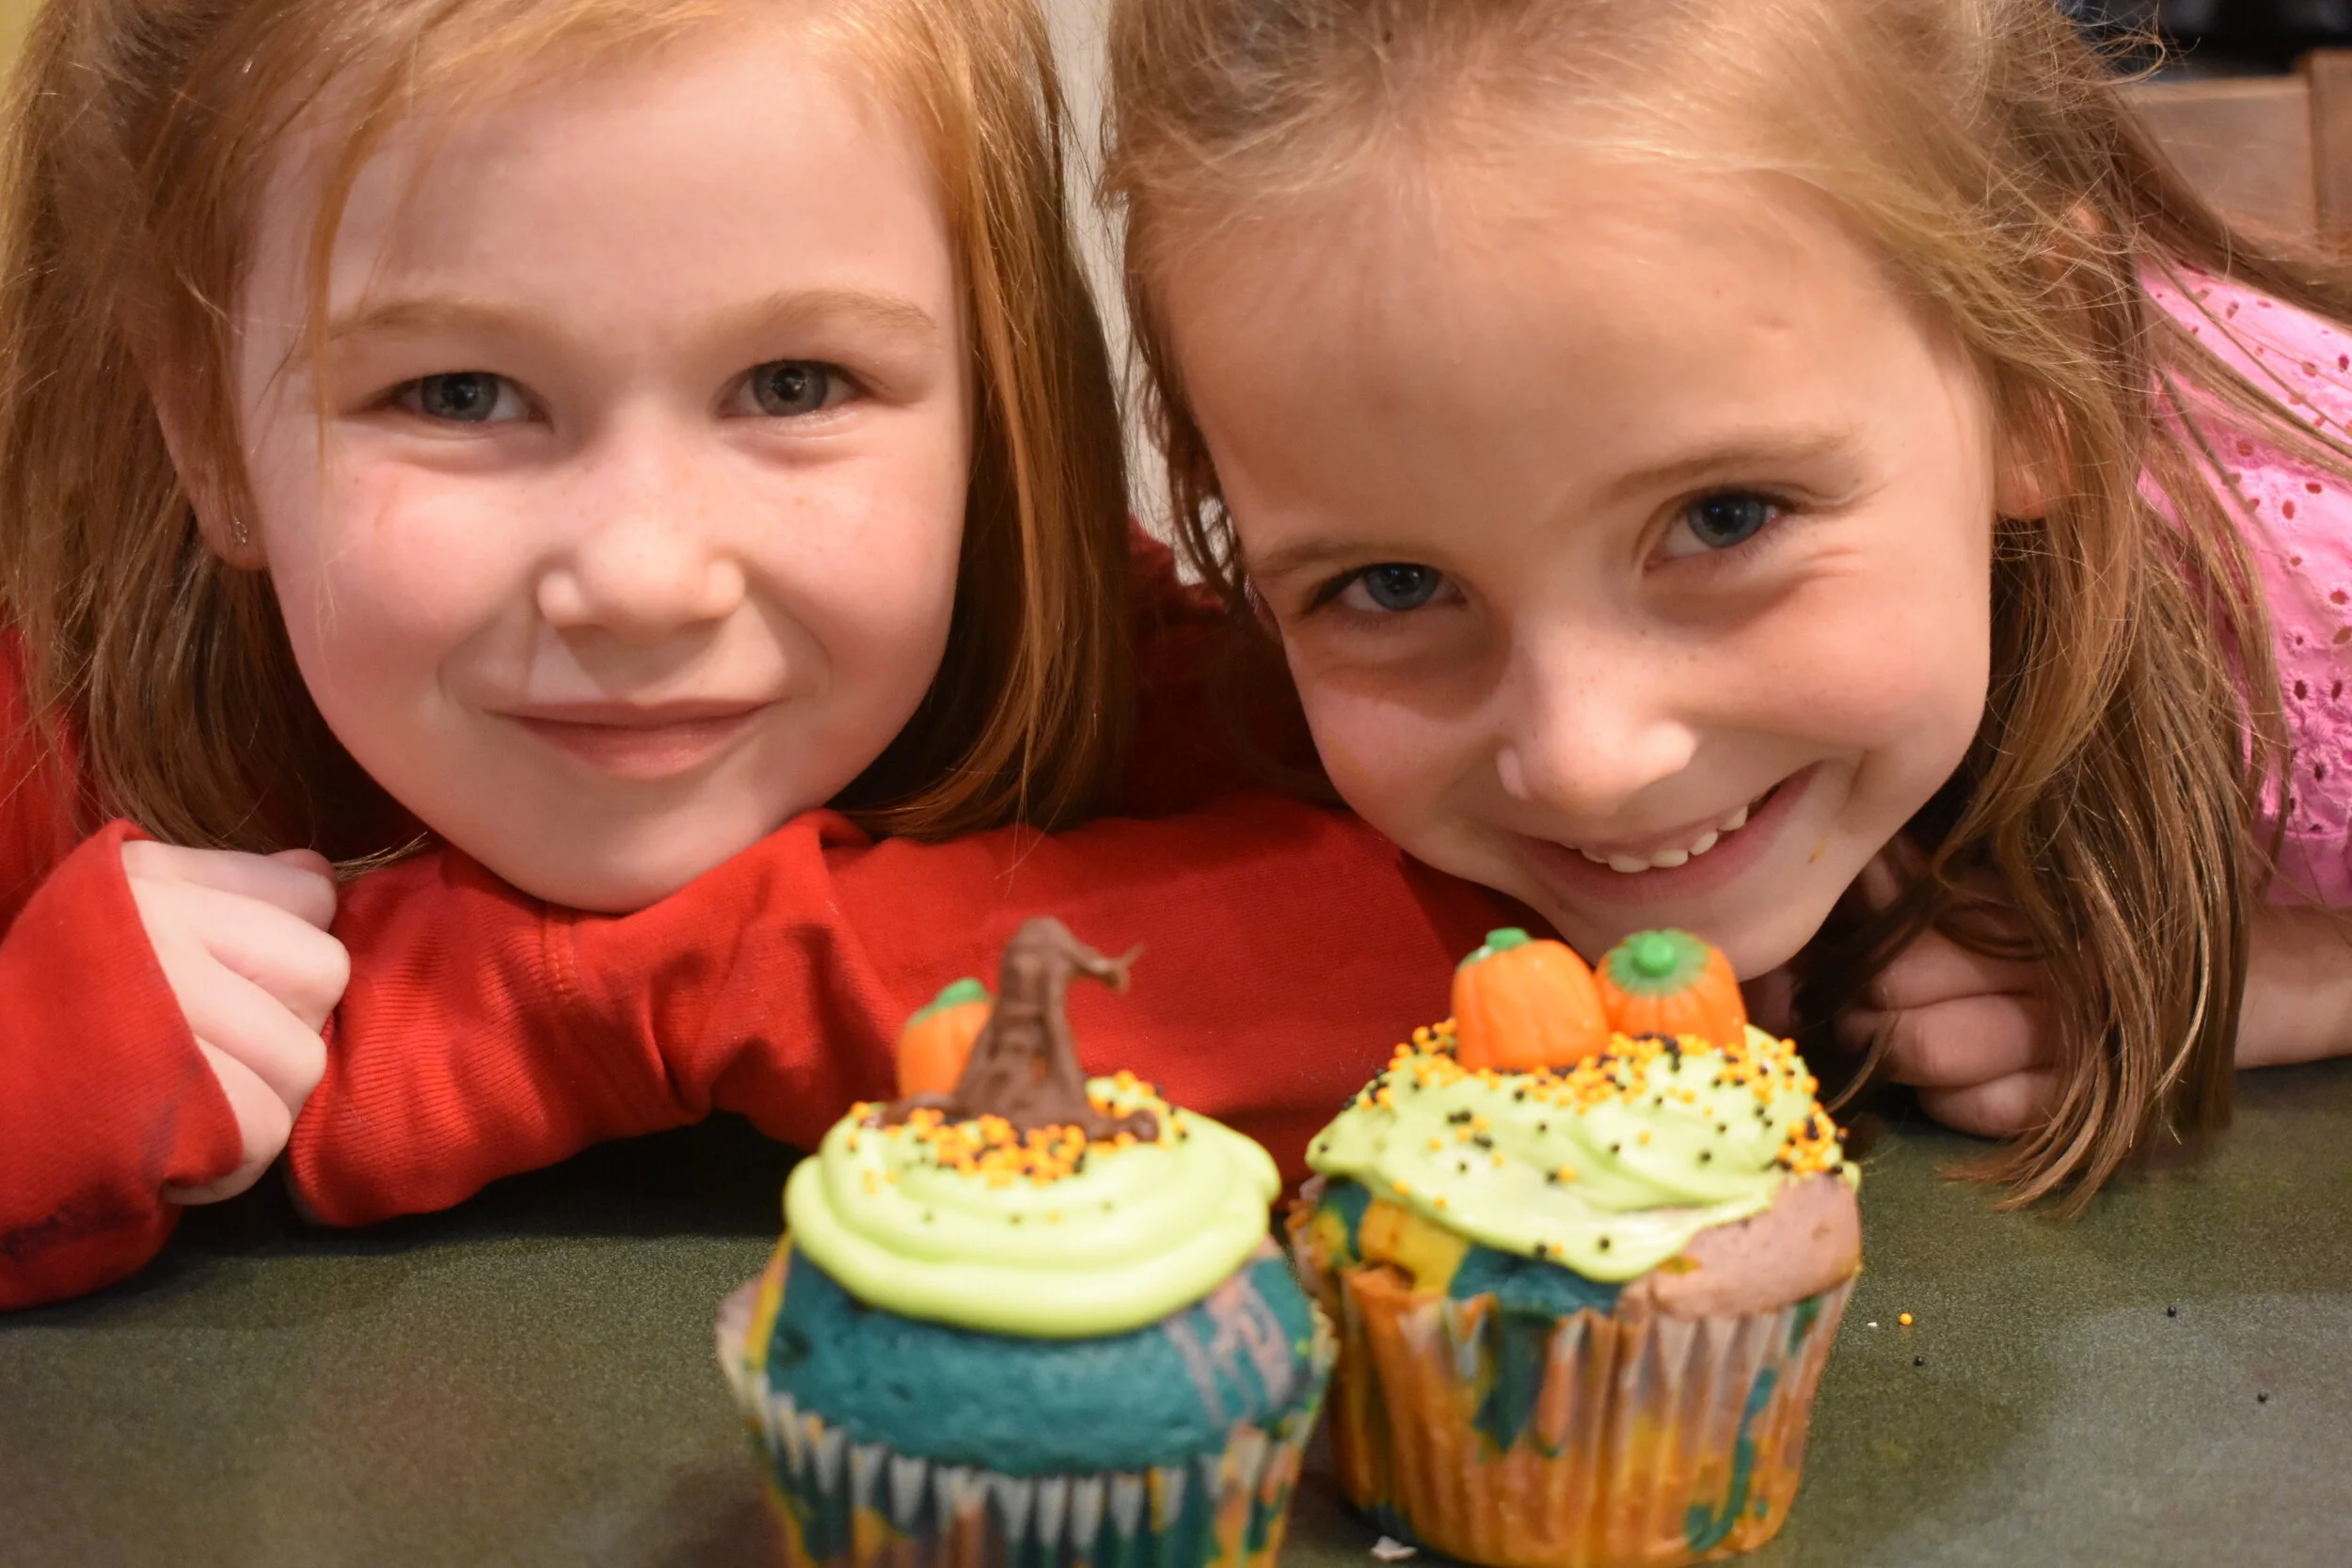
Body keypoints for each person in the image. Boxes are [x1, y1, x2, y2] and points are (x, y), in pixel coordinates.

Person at [0, 0, 1518, 1310]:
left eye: (794, 383)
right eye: (458, 393)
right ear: (207, 429)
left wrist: (593, 994)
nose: (646, 581)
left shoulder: (1082, 655)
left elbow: (1492, 948)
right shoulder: (48, 736)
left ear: (990, 392)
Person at [1100, 0, 2352, 1208]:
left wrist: (2268, 982)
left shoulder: (2306, 593)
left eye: (1726, 516)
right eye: (1396, 585)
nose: (1586, 764)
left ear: (2042, 378)